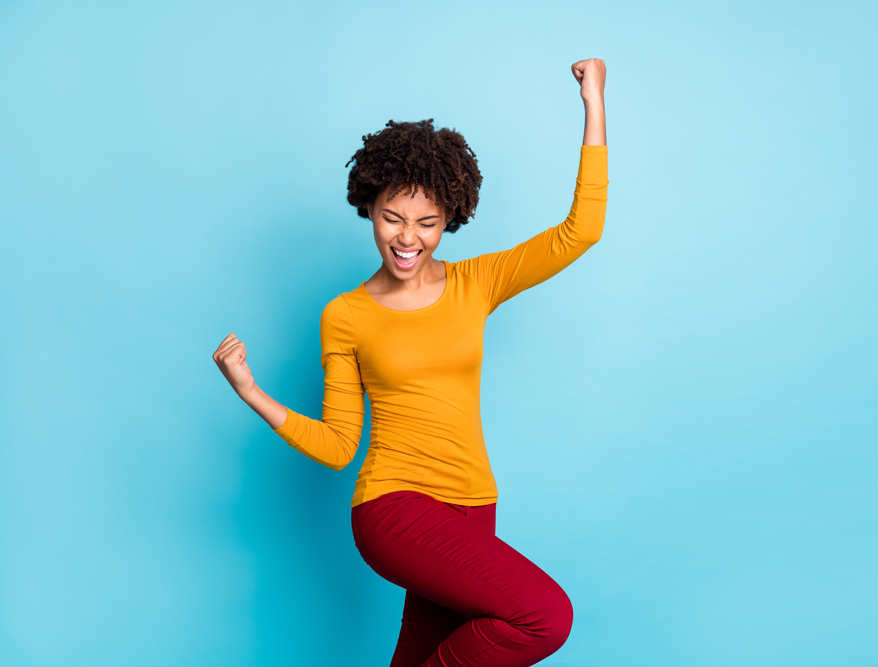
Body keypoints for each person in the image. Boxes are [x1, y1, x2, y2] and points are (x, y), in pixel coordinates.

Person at [212, 58, 608, 667]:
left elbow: (579, 232)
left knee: (422, 649)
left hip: (475, 503)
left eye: (427, 223)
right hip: (393, 507)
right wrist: (250, 390)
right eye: (393, 217)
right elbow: (342, 445)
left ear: (451, 218)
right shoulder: (344, 315)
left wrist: (593, 102)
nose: (408, 237)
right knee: (543, 617)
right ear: (369, 208)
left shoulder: (478, 282)